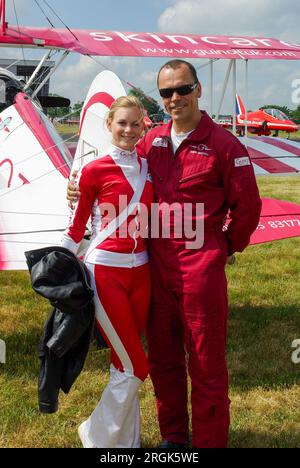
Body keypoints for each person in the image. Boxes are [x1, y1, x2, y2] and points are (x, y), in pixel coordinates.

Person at [68, 60, 262, 448]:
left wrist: (223, 246)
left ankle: (208, 441)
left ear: (198, 90)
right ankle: (174, 436)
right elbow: (117, 167)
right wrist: (78, 189)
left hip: (199, 268)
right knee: (163, 359)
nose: (175, 98)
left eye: (182, 89)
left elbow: (248, 209)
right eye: (167, 92)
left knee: (206, 364)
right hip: (154, 266)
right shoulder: (151, 140)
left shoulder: (225, 145)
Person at [62, 95, 153, 448]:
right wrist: (57, 267)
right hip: (105, 271)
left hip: (142, 273)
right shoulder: (94, 169)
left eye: (135, 124)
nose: (129, 130)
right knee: (137, 366)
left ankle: (126, 444)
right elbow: (76, 227)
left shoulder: (149, 167)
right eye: (122, 123)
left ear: (143, 125)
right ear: (109, 125)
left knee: (123, 362)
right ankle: (97, 436)